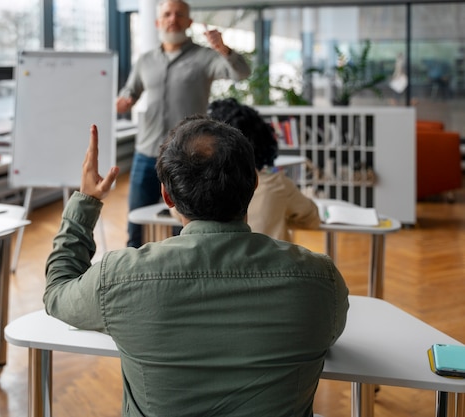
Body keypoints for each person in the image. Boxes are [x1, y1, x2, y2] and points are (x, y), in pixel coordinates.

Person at [44, 118, 349, 416]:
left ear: (167, 196)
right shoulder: (320, 281)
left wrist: (85, 202)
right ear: (253, 185)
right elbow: (327, 338)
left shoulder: (119, 278)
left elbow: (57, 292)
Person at [116, 0, 251, 248]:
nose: (172, 19)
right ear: (158, 22)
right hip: (146, 153)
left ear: (189, 22)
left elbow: (240, 73)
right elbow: (130, 92)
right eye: (167, 14)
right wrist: (123, 102)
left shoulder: (206, 56)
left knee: (187, 224)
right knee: (137, 221)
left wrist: (223, 48)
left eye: (179, 14)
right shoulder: (145, 60)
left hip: (187, 157)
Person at [207, 98, 321, 241]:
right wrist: (283, 217)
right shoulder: (277, 184)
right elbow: (312, 218)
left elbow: (180, 212)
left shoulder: (203, 187)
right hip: (270, 260)